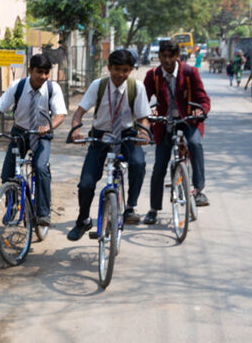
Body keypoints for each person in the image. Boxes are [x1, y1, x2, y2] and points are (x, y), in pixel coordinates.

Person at [66, 49, 151, 241]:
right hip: (101, 136)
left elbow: (144, 118)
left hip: (127, 135)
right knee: (86, 183)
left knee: (138, 163)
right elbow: (79, 112)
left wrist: (144, 132)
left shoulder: (136, 88)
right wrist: (75, 130)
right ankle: (83, 220)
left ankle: (130, 207)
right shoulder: (99, 85)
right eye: (117, 69)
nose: (121, 74)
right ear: (109, 67)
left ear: (131, 70)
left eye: (126, 70)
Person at [0, 54, 67, 226]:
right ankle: (13, 205)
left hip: (42, 134)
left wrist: (48, 126)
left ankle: (43, 213)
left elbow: (60, 114)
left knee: (40, 168)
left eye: (46, 73)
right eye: (39, 72)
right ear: (30, 70)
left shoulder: (53, 89)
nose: (43, 77)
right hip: (20, 132)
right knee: (8, 173)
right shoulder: (18, 86)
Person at [141, 40, 212, 225]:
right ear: (159, 57)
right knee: (159, 167)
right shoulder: (153, 75)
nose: (166, 60)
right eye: (163, 56)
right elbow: (142, 101)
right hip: (165, 123)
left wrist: (200, 111)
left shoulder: (190, 72)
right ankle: (153, 209)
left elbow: (203, 99)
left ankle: (198, 190)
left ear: (177, 56)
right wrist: (149, 113)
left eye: (170, 56)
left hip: (188, 121)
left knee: (195, 144)